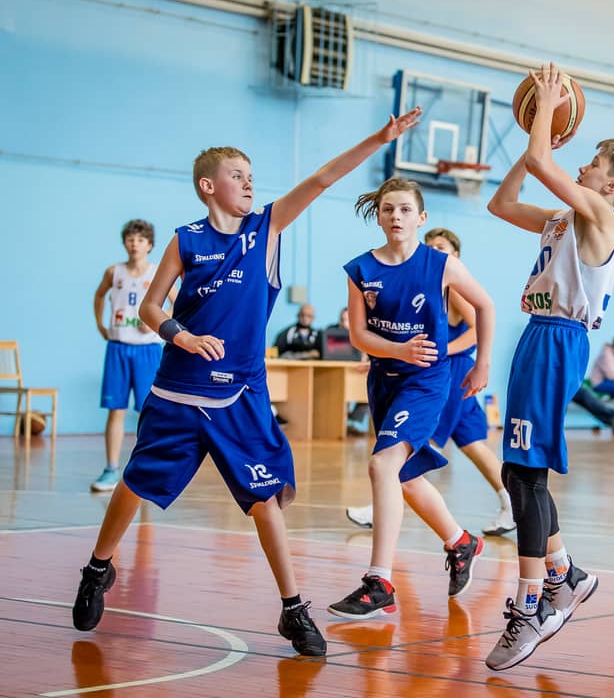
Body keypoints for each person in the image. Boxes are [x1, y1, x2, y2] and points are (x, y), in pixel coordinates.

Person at [71, 107, 425, 657]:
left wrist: (379, 139)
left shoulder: (266, 228)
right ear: (208, 186)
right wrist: (182, 336)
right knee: (135, 483)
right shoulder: (186, 241)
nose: (249, 183)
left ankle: (293, 608)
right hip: (179, 390)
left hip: (239, 394)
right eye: (237, 175)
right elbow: (150, 306)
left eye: (252, 176)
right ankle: (98, 568)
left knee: (264, 502)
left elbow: (322, 179)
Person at [483, 63, 614, 671]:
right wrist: (536, 143)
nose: (581, 166)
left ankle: (534, 605)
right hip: (539, 335)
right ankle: (567, 574)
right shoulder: (564, 218)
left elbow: (541, 164)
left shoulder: (602, 218)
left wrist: (543, 115)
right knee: (517, 472)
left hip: (560, 339)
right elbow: (502, 203)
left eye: (592, 163)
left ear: (610, 186)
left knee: (526, 475)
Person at [328, 177, 496, 621]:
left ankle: (379, 582)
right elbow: (358, 335)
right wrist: (397, 350)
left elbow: (485, 306)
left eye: (405, 209)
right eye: (388, 209)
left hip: (426, 381)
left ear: (421, 218)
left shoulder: (440, 265)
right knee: (403, 477)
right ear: (378, 217)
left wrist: (482, 364)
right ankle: (461, 542)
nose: (396, 217)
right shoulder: (361, 269)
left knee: (382, 465)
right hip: (385, 379)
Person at [343, 227, 515, 537]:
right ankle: (511, 500)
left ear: (455, 255)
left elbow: (476, 330)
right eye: (430, 245)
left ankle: (381, 505)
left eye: (441, 247)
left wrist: (441, 350)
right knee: (472, 443)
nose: (433, 250)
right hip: (431, 365)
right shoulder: (418, 278)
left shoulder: (452, 285)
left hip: (447, 368)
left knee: (411, 443)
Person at [91, 220, 177, 492]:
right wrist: (100, 324)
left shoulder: (157, 272)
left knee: (148, 413)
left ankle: (144, 470)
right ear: (124, 242)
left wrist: (158, 322)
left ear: (149, 245)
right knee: (115, 410)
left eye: (140, 240)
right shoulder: (113, 272)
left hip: (147, 350)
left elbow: (177, 303)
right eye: (130, 239)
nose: (134, 244)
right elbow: (99, 296)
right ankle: (110, 469)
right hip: (118, 347)